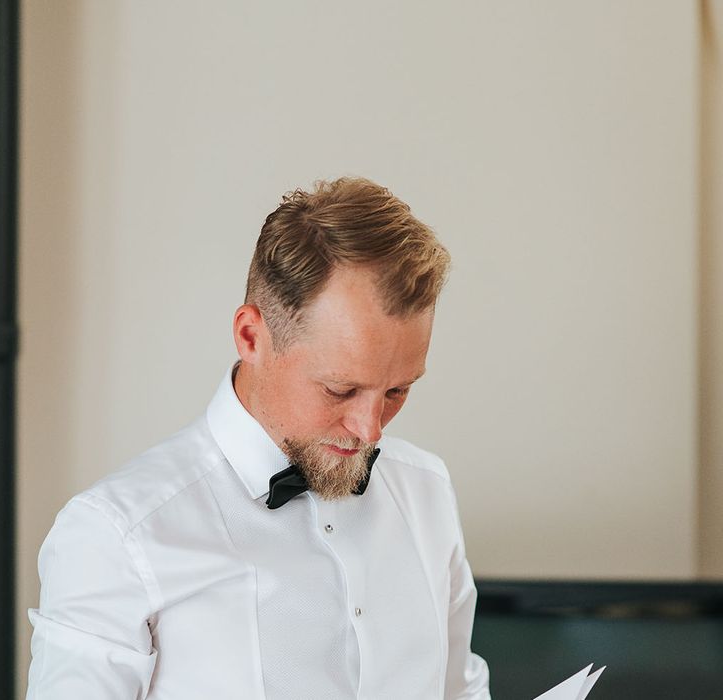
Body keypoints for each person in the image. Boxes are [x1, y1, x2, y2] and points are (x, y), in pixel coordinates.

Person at [25, 177, 491, 699]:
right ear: (251, 336)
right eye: (341, 388)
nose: (371, 429)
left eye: (398, 390)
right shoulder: (116, 535)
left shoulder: (426, 490)